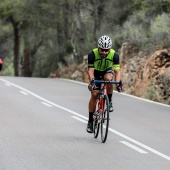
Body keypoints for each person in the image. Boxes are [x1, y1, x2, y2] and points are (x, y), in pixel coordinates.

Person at [86, 35, 122, 133]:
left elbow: (117, 71)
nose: (105, 52)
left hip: (107, 71)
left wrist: (118, 83)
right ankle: (90, 121)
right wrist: (92, 82)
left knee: (109, 79)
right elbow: (90, 71)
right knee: (94, 94)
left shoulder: (114, 55)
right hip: (96, 73)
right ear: (99, 48)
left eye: (107, 50)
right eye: (102, 50)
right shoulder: (92, 54)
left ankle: (109, 101)